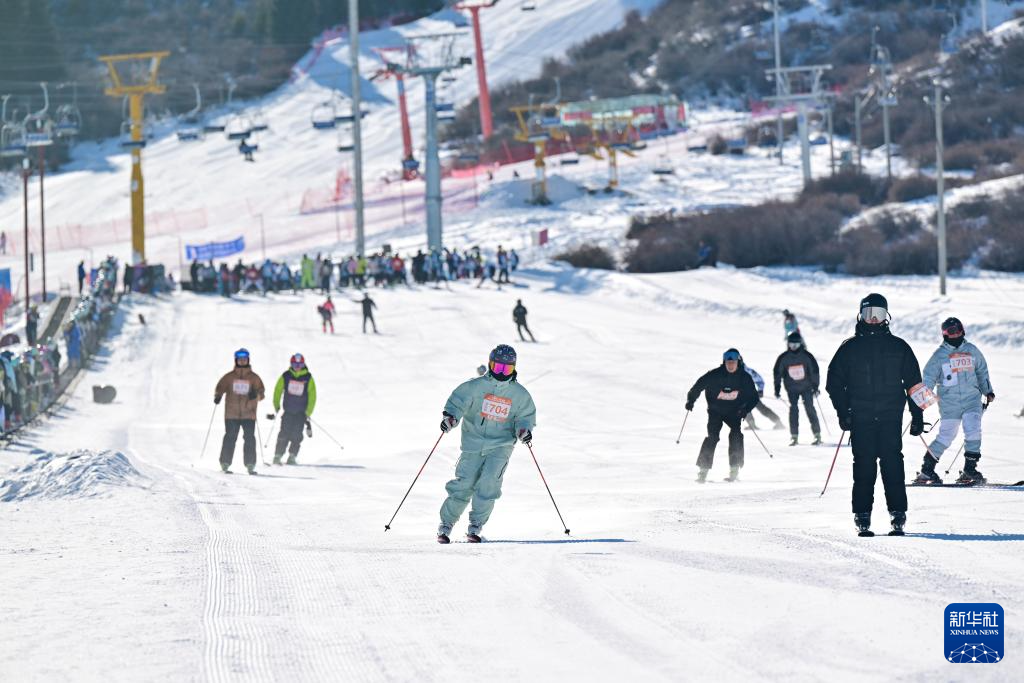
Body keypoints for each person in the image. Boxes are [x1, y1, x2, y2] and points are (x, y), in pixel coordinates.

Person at [826, 293, 924, 537]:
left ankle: (898, 514)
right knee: (864, 467)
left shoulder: (898, 347)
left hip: (891, 416)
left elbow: (914, 384)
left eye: (878, 314)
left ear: (886, 316)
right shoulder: (850, 348)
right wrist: (843, 411)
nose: (873, 320)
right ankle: (862, 516)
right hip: (861, 417)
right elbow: (834, 383)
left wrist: (917, 415)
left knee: (893, 465)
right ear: (860, 315)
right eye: (869, 315)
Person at [436, 344, 537, 543]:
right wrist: (451, 418)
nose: (501, 373)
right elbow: (457, 403)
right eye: (498, 367)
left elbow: (525, 417)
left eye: (506, 369)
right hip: (473, 444)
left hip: (501, 446)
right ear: (490, 365)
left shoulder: (519, 394)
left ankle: (475, 526)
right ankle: (446, 525)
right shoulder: (475, 386)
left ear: (514, 369)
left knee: (489, 484)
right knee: (464, 484)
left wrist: (524, 430)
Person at [914, 317, 994, 486]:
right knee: (946, 436)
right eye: (951, 331)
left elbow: (981, 371)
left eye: (958, 330)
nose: (955, 333)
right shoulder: (939, 356)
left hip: (972, 399)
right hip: (949, 404)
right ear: (945, 334)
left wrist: (988, 390)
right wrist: (920, 403)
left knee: (973, 430)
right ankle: (927, 470)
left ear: (963, 330)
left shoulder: (972, 350)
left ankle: (970, 469)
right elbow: (928, 378)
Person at [685, 349, 759, 483]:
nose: (730, 365)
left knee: (736, 434)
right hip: (715, 411)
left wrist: (745, 409)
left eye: (733, 362)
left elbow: (754, 397)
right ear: (724, 362)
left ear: (738, 362)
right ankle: (703, 471)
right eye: (728, 363)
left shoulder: (744, 377)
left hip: (734, 412)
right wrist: (691, 400)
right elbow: (699, 385)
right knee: (712, 437)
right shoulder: (715, 375)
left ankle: (734, 469)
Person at [214, 348, 266, 475]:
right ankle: (225, 463)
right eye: (240, 359)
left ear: (248, 360)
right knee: (230, 437)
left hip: (249, 413)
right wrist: (218, 395)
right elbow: (220, 387)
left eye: (244, 359)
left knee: (249, 438)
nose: (242, 361)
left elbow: (262, 393)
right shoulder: (229, 377)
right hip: (231, 413)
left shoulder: (254, 378)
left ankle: (250, 464)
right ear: (236, 360)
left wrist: (256, 395)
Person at [773, 332, 822, 446]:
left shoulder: (806, 356)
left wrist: (815, 386)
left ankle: (817, 434)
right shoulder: (784, 358)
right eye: (791, 344)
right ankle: (794, 436)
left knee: (810, 408)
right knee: (794, 410)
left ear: (800, 344)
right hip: (792, 389)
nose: (793, 347)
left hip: (806, 388)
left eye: (796, 344)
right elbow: (777, 373)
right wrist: (777, 388)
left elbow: (814, 371)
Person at [270, 353, 317, 465]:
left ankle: (292, 456)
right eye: (294, 364)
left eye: (299, 364)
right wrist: (276, 404)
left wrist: (308, 412)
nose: (297, 366)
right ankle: (278, 455)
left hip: (301, 413)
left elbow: (312, 396)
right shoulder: (286, 376)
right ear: (291, 364)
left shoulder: (308, 378)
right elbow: (278, 390)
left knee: (297, 435)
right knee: (284, 433)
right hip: (288, 411)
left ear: (303, 364)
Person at [743, 361, 784, 431]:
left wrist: (760, 390)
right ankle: (777, 421)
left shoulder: (747, 370)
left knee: (748, 408)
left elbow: (759, 380)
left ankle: (777, 422)